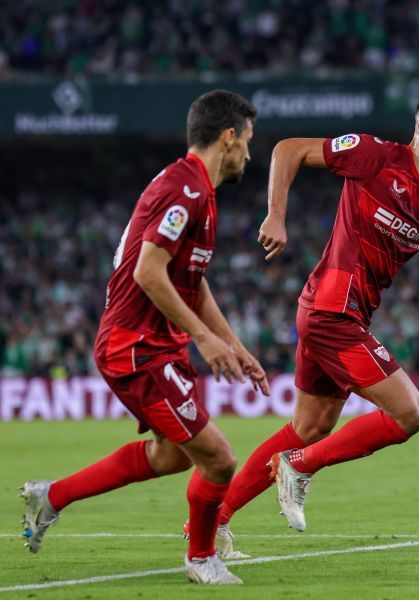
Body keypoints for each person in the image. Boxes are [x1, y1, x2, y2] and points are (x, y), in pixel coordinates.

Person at [212, 91, 419, 557]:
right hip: (330, 310)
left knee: (309, 426)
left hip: (343, 314)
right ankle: (298, 467)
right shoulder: (375, 155)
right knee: (410, 413)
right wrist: (276, 215)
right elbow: (287, 149)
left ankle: (213, 523)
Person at [20, 90, 267, 585]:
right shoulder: (186, 190)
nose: (248, 154)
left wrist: (234, 345)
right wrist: (205, 340)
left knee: (173, 454)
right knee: (219, 459)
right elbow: (147, 273)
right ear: (228, 137)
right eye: (248, 141)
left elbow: (191, 284)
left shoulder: (196, 188)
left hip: (156, 344)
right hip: (136, 347)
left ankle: (51, 497)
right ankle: (201, 559)